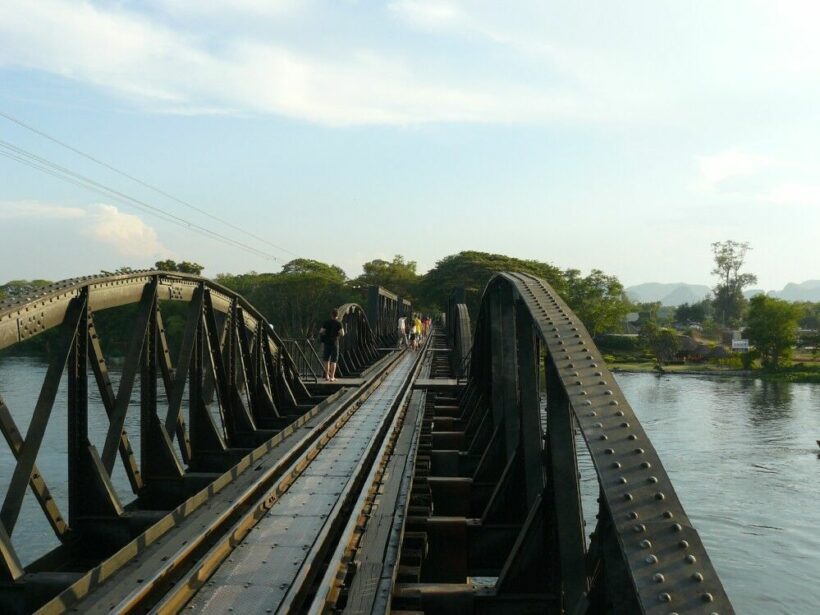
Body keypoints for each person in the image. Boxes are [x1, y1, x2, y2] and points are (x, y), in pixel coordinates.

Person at [319, 309, 345, 381]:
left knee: (326, 360)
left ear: (331, 315)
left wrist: (325, 334)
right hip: (335, 343)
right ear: (337, 315)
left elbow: (321, 331)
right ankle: (332, 377)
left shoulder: (326, 322)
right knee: (334, 361)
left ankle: (327, 376)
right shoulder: (339, 323)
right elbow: (342, 333)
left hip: (327, 343)